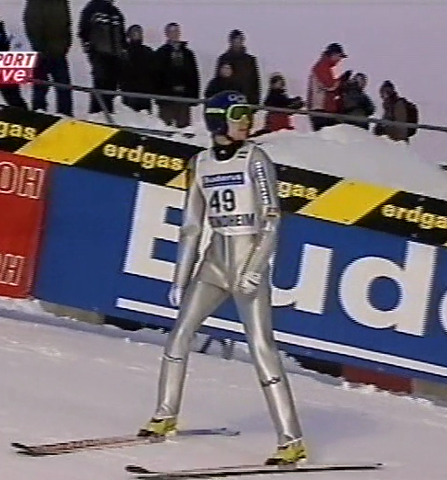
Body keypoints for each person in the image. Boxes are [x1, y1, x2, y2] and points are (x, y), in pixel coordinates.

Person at [137, 90, 308, 467]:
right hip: (214, 261)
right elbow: (191, 226)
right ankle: (165, 414)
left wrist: (255, 269)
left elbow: (272, 220)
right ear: (218, 120)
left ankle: (291, 439)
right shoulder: (199, 163)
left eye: (247, 114)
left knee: (262, 348)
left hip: (247, 257)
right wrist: (180, 278)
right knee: (179, 334)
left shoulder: (255, 159)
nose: (246, 122)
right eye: (237, 115)